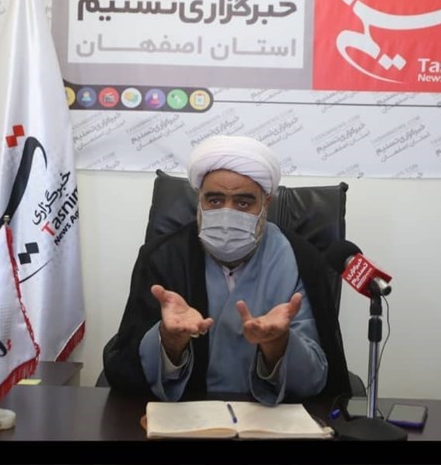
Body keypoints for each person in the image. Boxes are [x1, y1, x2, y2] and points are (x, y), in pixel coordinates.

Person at [103, 135, 352, 405]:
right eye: (215, 201)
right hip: (188, 415)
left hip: (269, 419)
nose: (227, 213)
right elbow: (127, 368)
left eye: (243, 203)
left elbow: (316, 379)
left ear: (266, 203)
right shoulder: (162, 257)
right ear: (199, 199)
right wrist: (169, 342)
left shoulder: (302, 260)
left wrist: (278, 345)